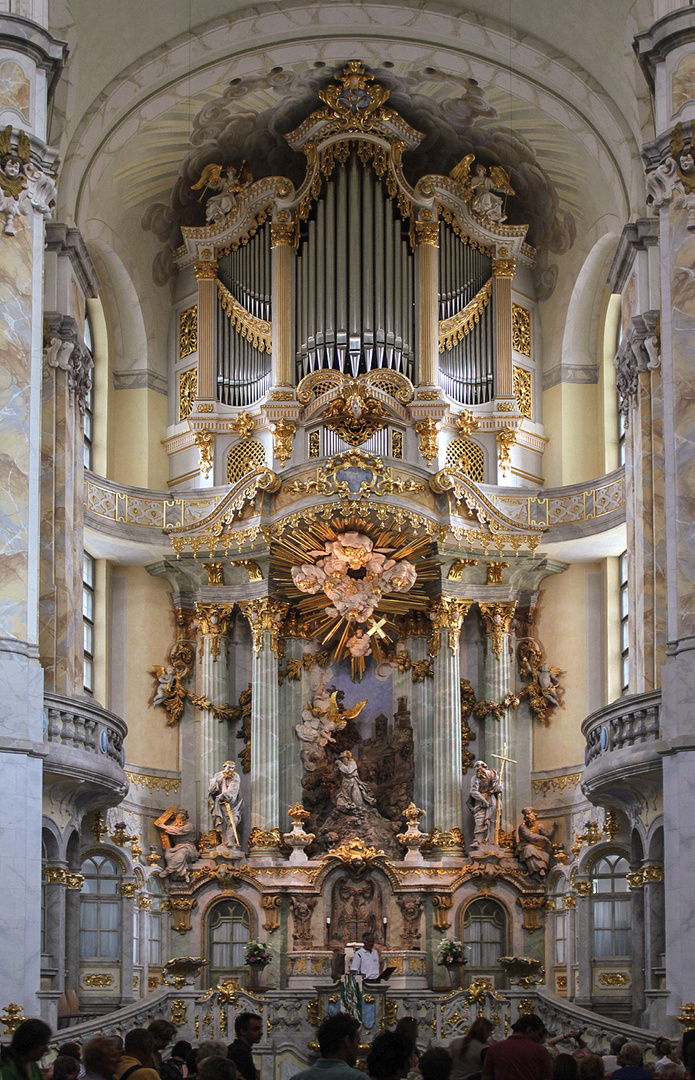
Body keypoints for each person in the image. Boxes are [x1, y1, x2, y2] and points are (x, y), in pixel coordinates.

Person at [289, 1012, 369, 1080]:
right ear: (347, 1041)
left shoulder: (297, 1078)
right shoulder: (357, 1078)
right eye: (357, 1043)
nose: (358, 1049)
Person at [482, 1014, 552, 1080]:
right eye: (539, 1034)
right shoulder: (540, 1051)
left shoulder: (494, 1049)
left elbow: (486, 1077)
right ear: (529, 1030)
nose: (539, 1039)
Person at [208, 761, 243, 848]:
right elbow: (213, 788)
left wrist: (224, 795)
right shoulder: (218, 775)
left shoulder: (235, 776)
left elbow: (233, 790)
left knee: (233, 820)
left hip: (234, 804)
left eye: (232, 768)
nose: (230, 770)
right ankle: (224, 841)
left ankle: (230, 840)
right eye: (228, 767)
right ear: (224, 767)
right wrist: (213, 787)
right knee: (222, 822)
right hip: (221, 804)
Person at [467, 761, 501, 847]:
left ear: (484, 768)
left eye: (479, 768)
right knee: (479, 819)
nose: (478, 771)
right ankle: (478, 840)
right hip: (479, 801)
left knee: (492, 821)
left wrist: (498, 788)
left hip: (492, 800)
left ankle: (491, 841)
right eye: (476, 769)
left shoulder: (493, 775)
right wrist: (483, 800)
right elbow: (473, 791)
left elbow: (500, 786)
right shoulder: (475, 778)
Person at [227, 1014, 262, 1080]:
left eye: (260, 1028)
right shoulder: (239, 1052)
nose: (261, 1033)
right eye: (256, 1029)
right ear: (243, 1031)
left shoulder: (240, 1049)